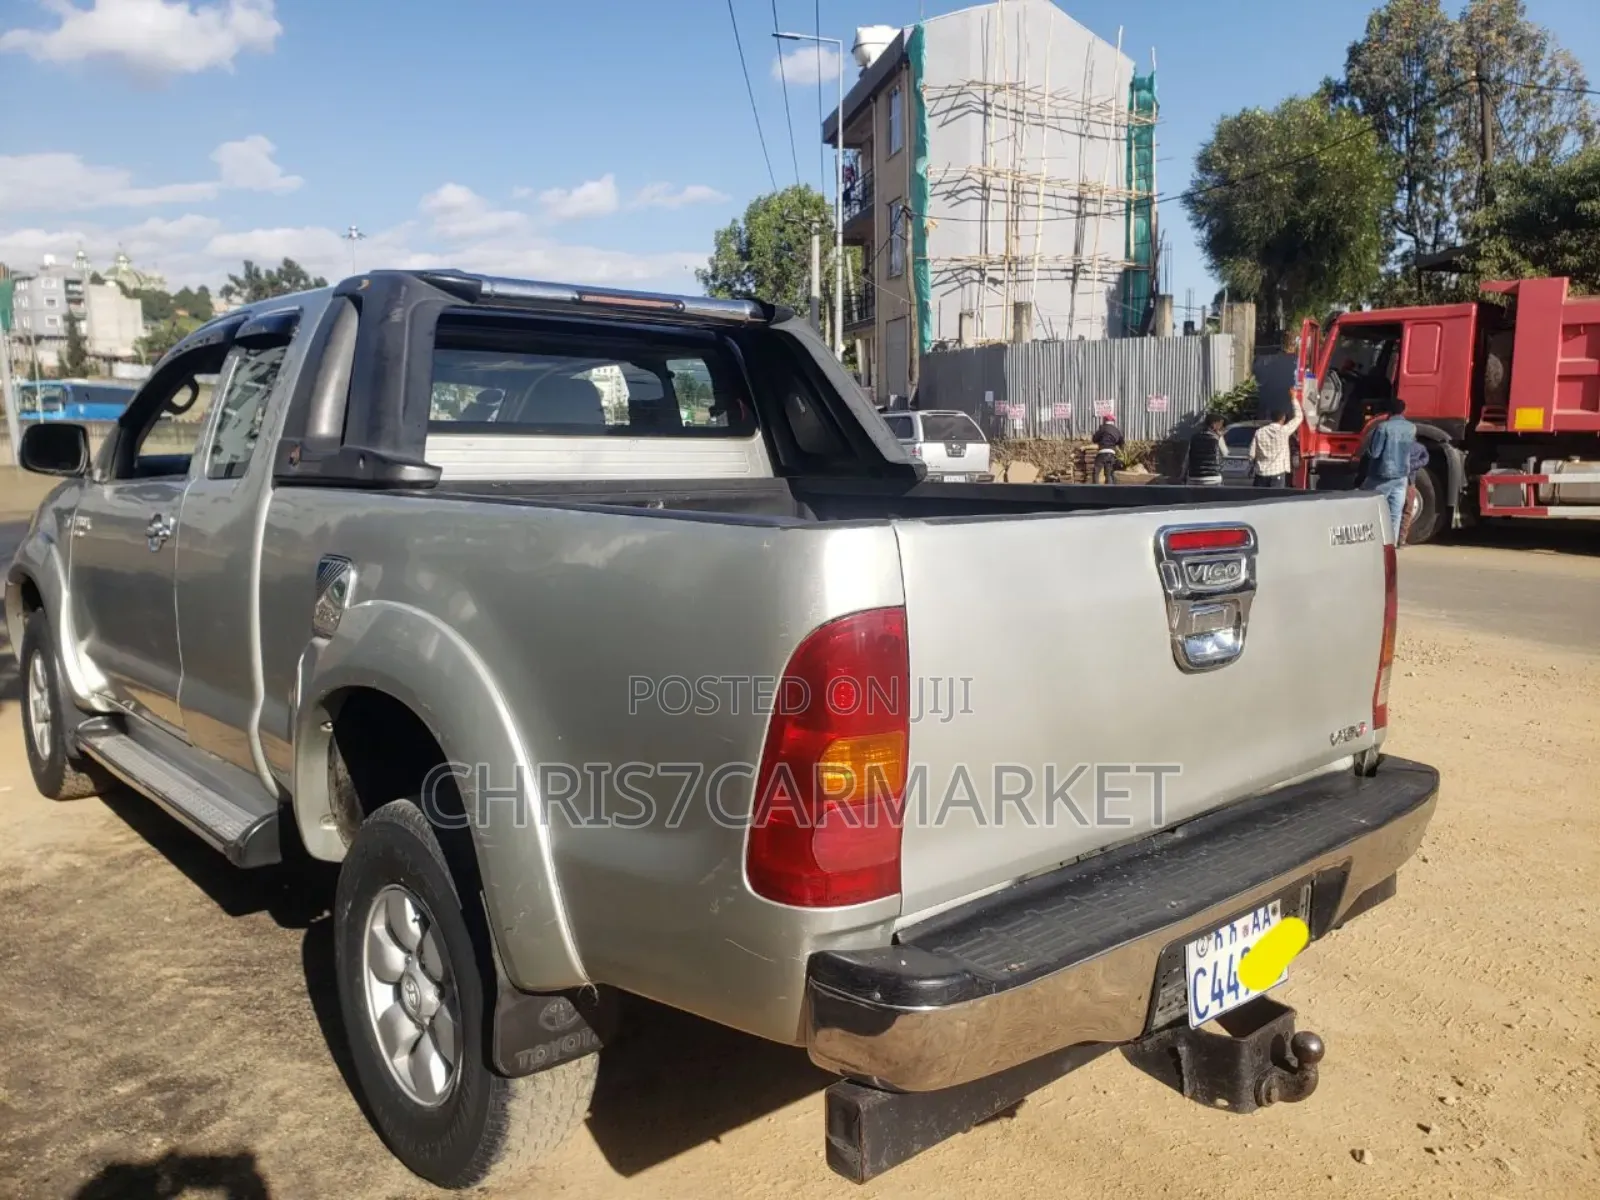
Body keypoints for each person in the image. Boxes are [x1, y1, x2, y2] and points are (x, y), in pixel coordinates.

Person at [1356, 397, 1419, 537]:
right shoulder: (1411, 428)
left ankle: (1368, 541)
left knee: (1369, 508)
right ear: (1404, 410)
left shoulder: (1383, 427)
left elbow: (1375, 452)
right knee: (1395, 514)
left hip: (1381, 475)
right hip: (1402, 476)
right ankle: (1392, 545)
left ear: (1388, 412)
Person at [1247, 394, 1305, 488]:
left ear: (1271, 418)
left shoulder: (1259, 432)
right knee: (1275, 501)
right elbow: (1299, 417)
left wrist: (1253, 465)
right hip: (1277, 473)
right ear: (1283, 418)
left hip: (1261, 474)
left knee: (1258, 501)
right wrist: (1294, 398)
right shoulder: (1284, 431)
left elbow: (1251, 454)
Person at [1187, 412, 1227, 485]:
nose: (1222, 427)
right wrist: (1221, 437)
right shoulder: (1217, 438)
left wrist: (1183, 475)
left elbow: (1187, 458)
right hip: (1213, 477)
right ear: (1216, 425)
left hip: (1194, 476)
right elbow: (1225, 453)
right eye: (1221, 425)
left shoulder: (1194, 437)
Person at [1090, 414, 1122, 484]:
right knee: (1109, 474)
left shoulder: (1102, 428)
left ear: (1105, 420)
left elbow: (1094, 439)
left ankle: (1095, 489)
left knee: (1096, 472)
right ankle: (1109, 491)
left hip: (1102, 452)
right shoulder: (1116, 430)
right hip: (1112, 453)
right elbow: (1121, 442)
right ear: (1113, 421)